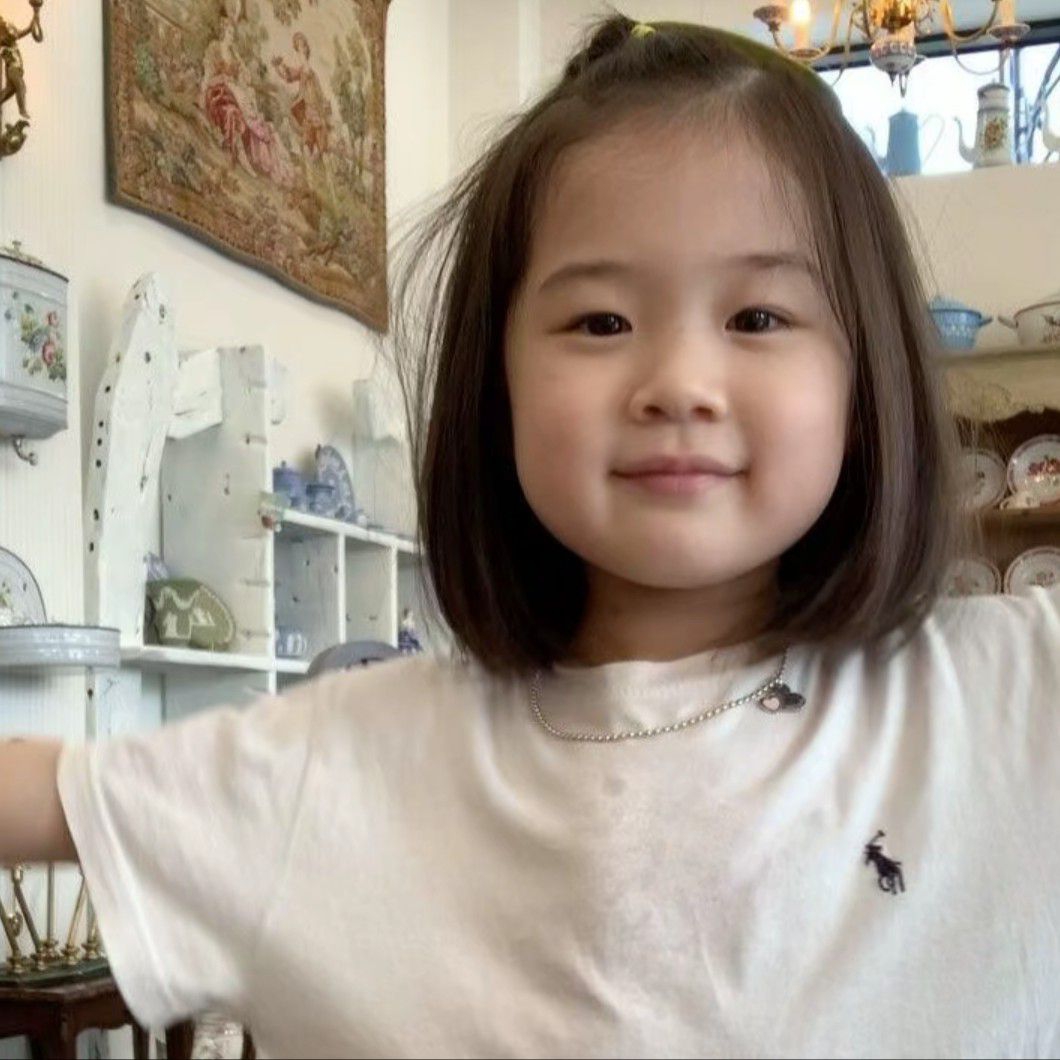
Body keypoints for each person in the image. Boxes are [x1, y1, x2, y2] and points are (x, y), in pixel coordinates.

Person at [2, 15, 1058, 1058]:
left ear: (864, 378)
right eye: (600, 322)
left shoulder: (1014, 698)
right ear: (495, 381)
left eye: (757, 318)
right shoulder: (345, 765)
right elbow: (46, 796)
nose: (678, 384)